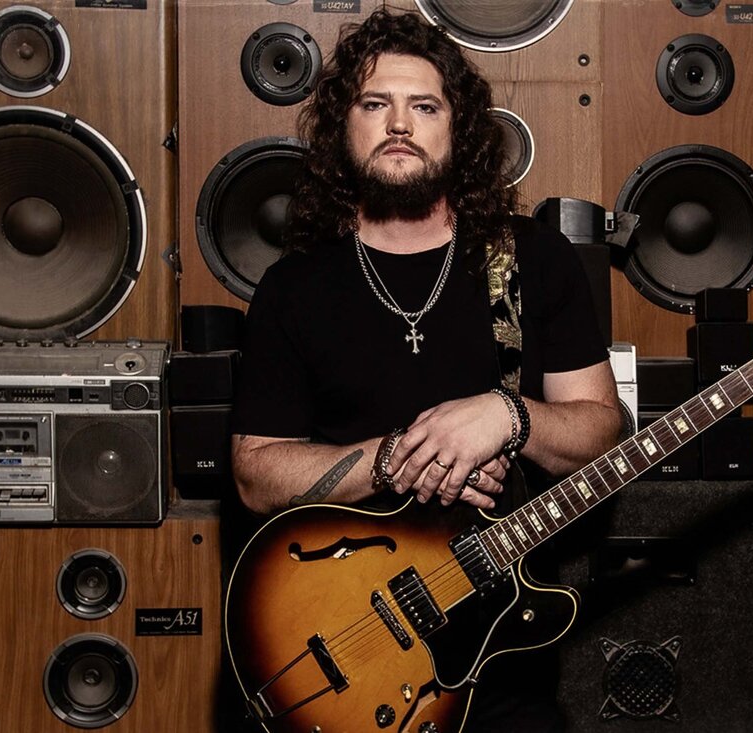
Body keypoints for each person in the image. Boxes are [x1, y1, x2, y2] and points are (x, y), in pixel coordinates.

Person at [229, 8, 622, 731]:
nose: (399, 124)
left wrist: (510, 416)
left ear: (459, 128)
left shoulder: (533, 260)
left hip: (500, 657)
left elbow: (602, 430)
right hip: (346, 637)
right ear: (343, 129)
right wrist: (396, 459)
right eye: (375, 104)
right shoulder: (295, 289)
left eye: (424, 106)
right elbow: (255, 474)